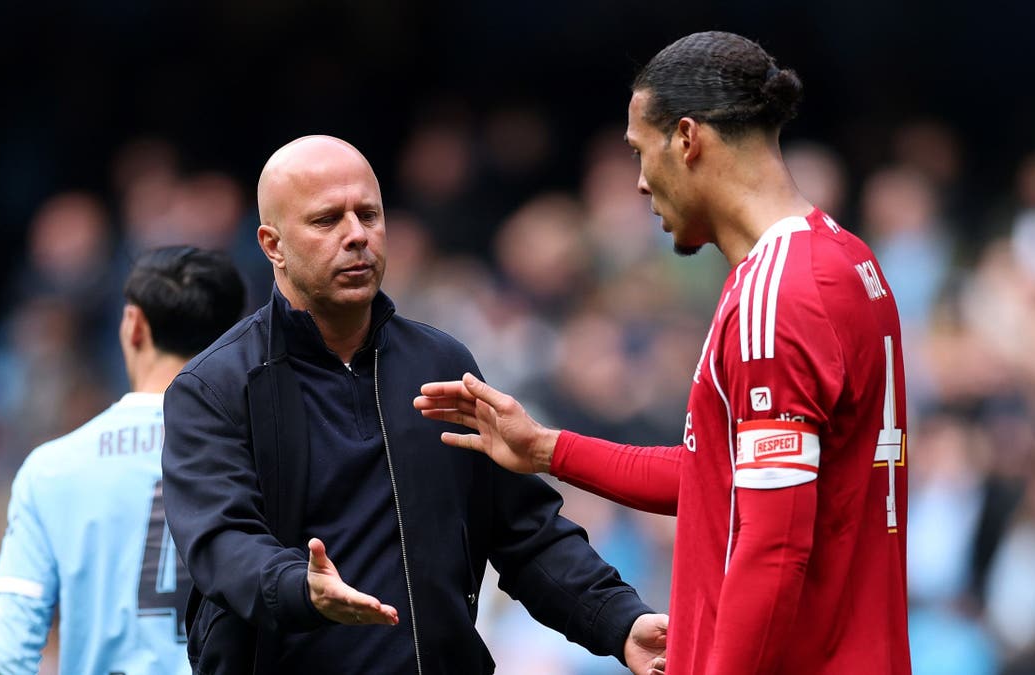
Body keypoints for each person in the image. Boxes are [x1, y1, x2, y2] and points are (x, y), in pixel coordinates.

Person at [415, 31, 911, 675]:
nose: (641, 184)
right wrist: (545, 449)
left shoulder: (779, 294)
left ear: (686, 139)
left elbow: (773, 545)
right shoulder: (844, 259)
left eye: (639, 152)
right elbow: (720, 477)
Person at [160, 135, 668, 674]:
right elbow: (220, 544)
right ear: (272, 244)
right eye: (327, 220)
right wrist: (297, 586)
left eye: (369, 215)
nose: (357, 235)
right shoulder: (214, 387)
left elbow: (524, 532)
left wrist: (620, 621)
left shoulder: (440, 363)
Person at [0, 246, 247, 674]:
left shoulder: (51, 468)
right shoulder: (259, 457)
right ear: (232, 336)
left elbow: (4, 659)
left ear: (133, 324)